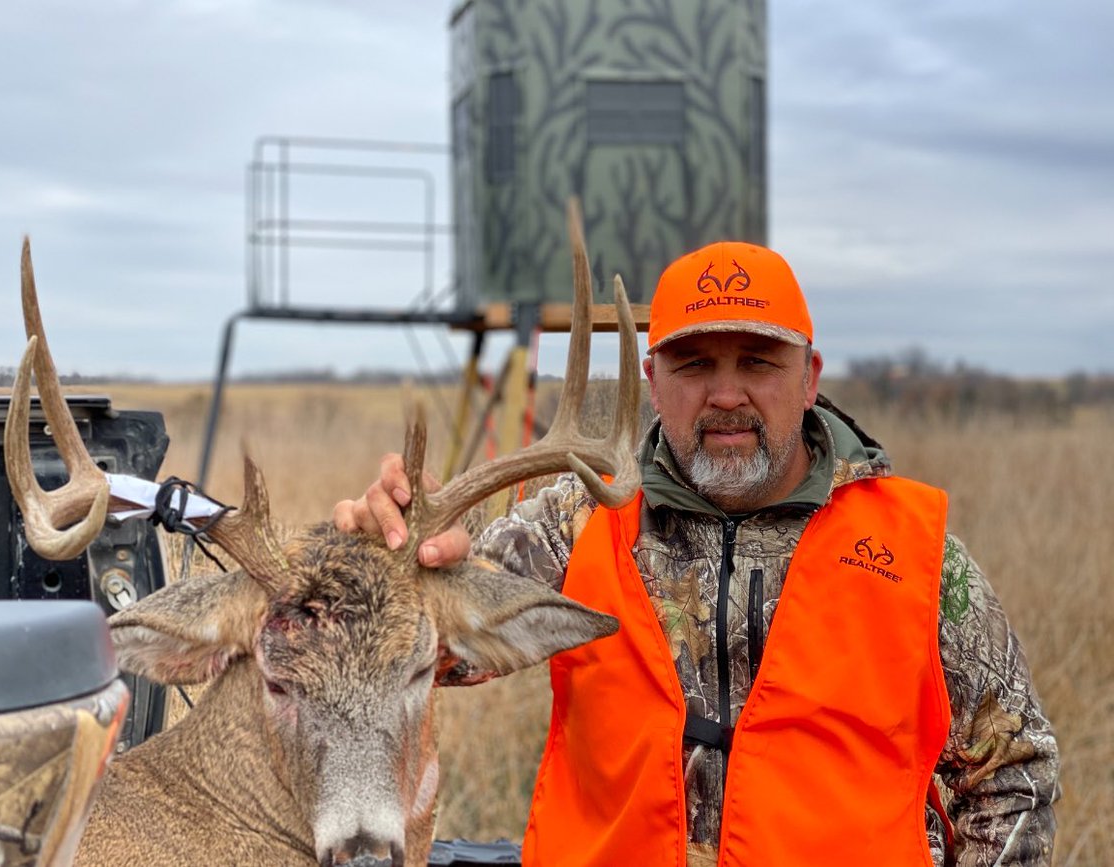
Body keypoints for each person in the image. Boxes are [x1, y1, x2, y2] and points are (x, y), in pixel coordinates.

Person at [334, 241, 1059, 866]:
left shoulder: (915, 552)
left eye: (758, 360)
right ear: (652, 382)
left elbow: (1014, 772)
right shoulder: (576, 521)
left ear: (809, 377)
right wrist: (392, 564)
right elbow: (430, 652)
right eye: (693, 364)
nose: (725, 394)